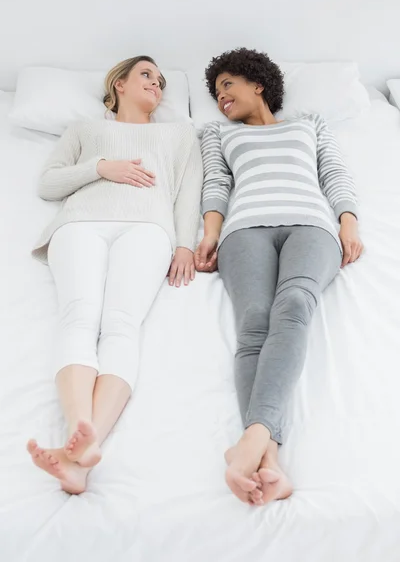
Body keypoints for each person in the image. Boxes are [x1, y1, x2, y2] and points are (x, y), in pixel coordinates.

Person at [195, 48, 363, 506]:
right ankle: (268, 457)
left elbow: (334, 171)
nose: (220, 98)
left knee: (294, 304)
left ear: (258, 84)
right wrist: (209, 233)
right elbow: (216, 184)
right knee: (254, 321)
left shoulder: (308, 123)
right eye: (214, 93)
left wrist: (347, 219)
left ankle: (253, 438)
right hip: (244, 228)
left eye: (228, 85)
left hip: (311, 224)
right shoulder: (216, 133)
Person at [27, 56, 203, 494]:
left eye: (161, 82)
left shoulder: (179, 134)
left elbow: (188, 194)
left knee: (121, 325)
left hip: (148, 227)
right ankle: (79, 436)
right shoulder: (85, 131)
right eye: (146, 75)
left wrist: (184, 242)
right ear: (119, 84)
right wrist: (101, 167)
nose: (156, 85)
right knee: (80, 317)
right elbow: (47, 184)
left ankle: (81, 452)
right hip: (81, 222)